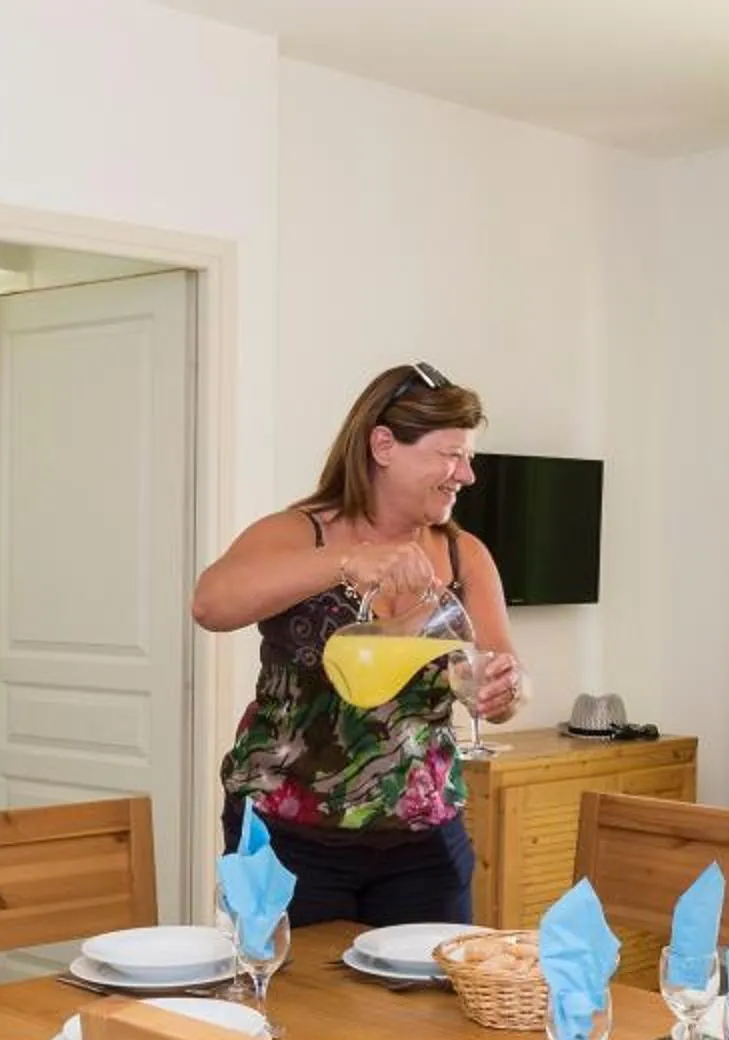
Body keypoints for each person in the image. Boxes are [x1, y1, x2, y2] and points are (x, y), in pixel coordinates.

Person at [192, 362, 525, 927]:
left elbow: (497, 676)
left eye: (469, 458)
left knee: (425, 1009)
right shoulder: (299, 534)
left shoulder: (467, 555)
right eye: (450, 455)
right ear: (383, 445)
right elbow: (211, 604)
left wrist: (505, 689)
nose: (465, 475)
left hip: (425, 844)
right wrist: (345, 563)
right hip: (287, 839)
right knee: (299, 1009)